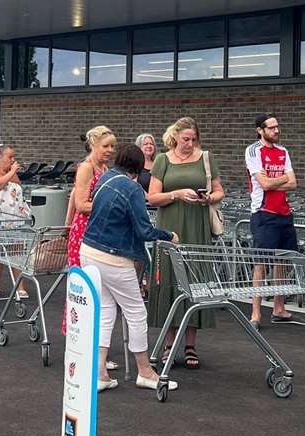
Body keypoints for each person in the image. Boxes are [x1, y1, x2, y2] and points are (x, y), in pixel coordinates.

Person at [80, 142, 179, 392]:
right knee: (136, 312)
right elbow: (144, 230)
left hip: (89, 251)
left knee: (104, 312)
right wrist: (170, 235)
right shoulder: (132, 187)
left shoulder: (104, 179)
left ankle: (100, 372)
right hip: (114, 257)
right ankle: (145, 371)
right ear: (137, 167)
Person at [146, 117, 224, 370]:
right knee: (169, 280)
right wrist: (177, 194)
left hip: (198, 227)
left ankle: (190, 344)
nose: (190, 144)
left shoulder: (206, 158)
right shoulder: (162, 160)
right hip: (170, 227)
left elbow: (220, 190)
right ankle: (169, 344)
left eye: (194, 139)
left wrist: (209, 197)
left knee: (196, 279)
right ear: (175, 137)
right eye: (185, 139)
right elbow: (153, 197)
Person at [245, 113, 305, 328]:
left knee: (283, 261)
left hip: (284, 213)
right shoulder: (253, 151)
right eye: (271, 128)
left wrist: (273, 182)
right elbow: (264, 184)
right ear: (260, 130)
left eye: (277, 127)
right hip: (264, 213)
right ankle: (255, 313)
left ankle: (278, 308)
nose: (276, 131)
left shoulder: (283, 151)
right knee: (261, 262)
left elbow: (293, 183)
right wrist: (277, 181)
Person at [0, 143, 31, 301]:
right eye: (9, 157)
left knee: (17, 253)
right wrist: (11, 172)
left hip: (14, 217)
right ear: (0, 157)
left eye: (13, 157)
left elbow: (17, 190)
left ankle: (20, 287)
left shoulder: (13, 174)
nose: (12, 160)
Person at [67, 127, 117, 268]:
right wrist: (111, 207)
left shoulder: (105, 168)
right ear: (93, 145)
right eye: (105, 146)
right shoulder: (86, 167)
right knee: (84, 281)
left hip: (100, 228)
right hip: (85, 230)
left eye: (112, 146)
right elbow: (81, 205)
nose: (110, 150)